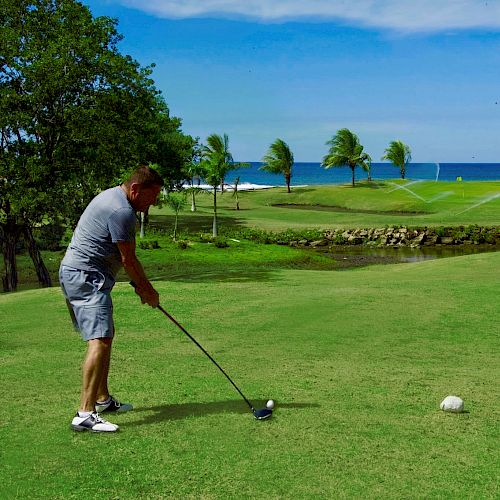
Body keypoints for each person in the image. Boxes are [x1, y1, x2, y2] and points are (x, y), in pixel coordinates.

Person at [59, 165, 163, 432]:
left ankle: (102, 399)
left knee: (105, 335)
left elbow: (124, 260)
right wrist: (148, 290)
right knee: (100, 339)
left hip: (83, 274)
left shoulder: (112, 197)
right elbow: (128, 259)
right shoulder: (122, 211)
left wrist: (142, 287)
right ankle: (85, 412)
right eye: (151, 196)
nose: (153, 202)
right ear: (135, 189)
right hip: (85, 276)